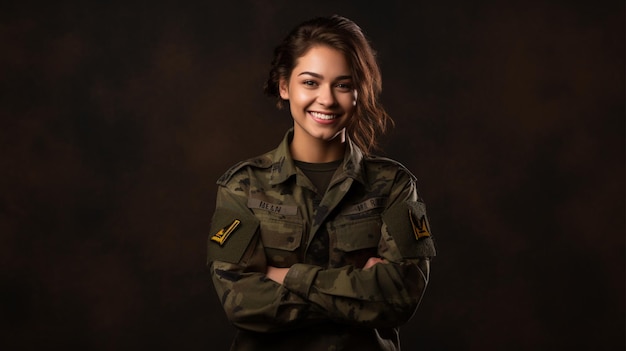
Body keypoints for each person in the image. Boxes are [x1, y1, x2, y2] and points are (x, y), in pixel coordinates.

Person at [207, 15, 436, 351]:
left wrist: (285, 276)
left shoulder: (394, 185)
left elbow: (400, 298)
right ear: (284, 86)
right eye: (310, 83)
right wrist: (360, 296)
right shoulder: (241, 186)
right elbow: (240, 303)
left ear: (360, 91)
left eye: (342, 85)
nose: (327, 99)